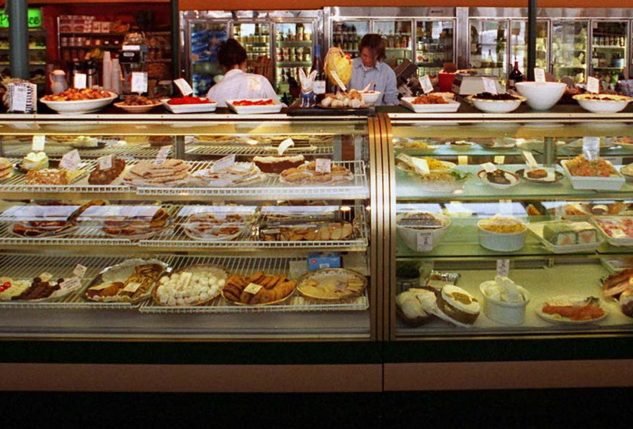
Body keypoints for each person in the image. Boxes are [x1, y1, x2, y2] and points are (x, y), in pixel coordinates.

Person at [207, 38, 279, 107]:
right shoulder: (259, 81)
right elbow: (279, 108)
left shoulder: (213, 91)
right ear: (244, 62)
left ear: (222, 66)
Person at [349, 34, 399, 106]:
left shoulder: (387, 73)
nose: (368, 60)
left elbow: (391, 102)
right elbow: (340, 93)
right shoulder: (350, 66)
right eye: (364, 55)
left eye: (372, 57)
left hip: (377, 115)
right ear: (360, 52)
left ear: (378, 55)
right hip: (352, 114)